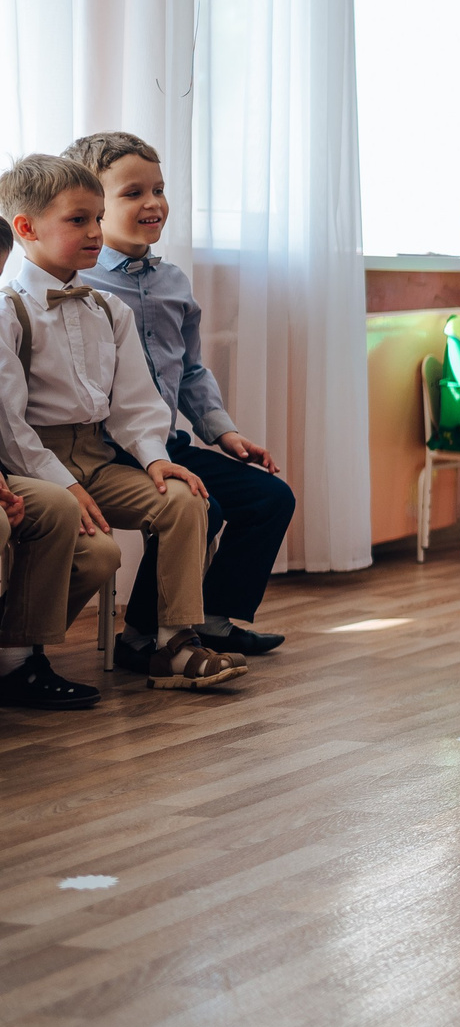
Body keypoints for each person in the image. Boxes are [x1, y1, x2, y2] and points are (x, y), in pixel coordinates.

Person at [0, 155, 234, 693]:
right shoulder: (11, 310)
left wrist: (156, 457)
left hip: (98, 456)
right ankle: (16, 652)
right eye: (77, 220)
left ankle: (173, 644)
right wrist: (63, 484)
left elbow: (135, 403)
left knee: (185, 500)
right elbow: (9, 424)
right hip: (35, 462)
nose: (95, 232)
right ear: (26, 228)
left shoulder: (108, 308)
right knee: (99, 553)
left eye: (98, 218)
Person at [67, 133, 297, 664]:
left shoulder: (173, 282)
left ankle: (212, 619)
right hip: (108, 450)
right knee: (202, 506)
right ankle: (142, 637)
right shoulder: (77, 283)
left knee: (269, 499)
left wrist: (223, 430)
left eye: (160, 189)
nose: (153, 204)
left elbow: (191, 369)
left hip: (168, 443)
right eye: (132, 193)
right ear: (95, 205)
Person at [0, 220, 116, 711]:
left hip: (26, 465)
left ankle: (16, 659)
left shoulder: (104, 309)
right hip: (26, 457)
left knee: (99, 552)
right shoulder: (14, 310)